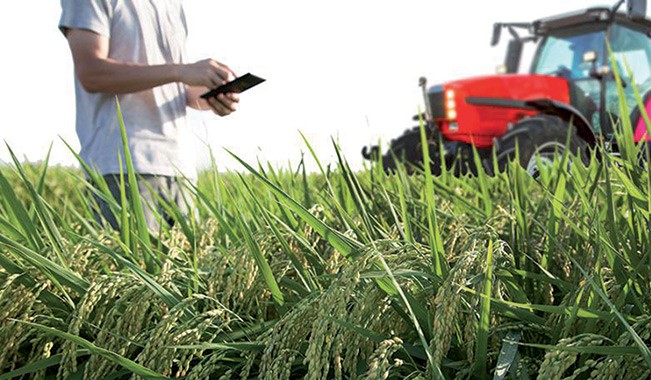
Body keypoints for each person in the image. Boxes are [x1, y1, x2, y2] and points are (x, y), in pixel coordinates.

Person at [59, 0, 239, 231]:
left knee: (187, 264)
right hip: (124, 165)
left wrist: (213, 97)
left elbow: (173, 87)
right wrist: (180, 71)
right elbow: (92, 73)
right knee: (129, 266)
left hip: (179, 168)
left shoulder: (171, 5)